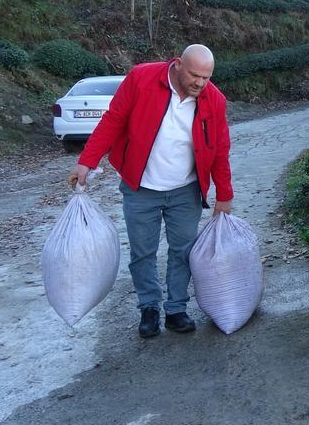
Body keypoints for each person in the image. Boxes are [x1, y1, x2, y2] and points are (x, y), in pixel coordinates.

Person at [68, 44, 234, 338]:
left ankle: (176, 309)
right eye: (195, 75)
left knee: (183, 252)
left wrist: (224, 194)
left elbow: (220, 149)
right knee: (142, 252)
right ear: (178, 65)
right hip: (140, 187)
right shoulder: (141, 79)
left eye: (207, 78)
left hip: (186, 190)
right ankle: (149, 307)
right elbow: (113, 120)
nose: (200, 83)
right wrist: (86, 161)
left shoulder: (214, 100)